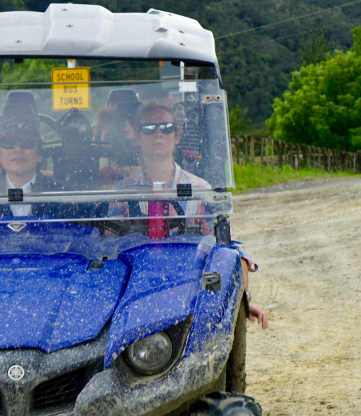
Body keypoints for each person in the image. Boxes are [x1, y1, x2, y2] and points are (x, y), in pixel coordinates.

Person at [115, 101, 268, 329]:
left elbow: (226, 246)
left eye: (166, 127)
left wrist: (242, 301)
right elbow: (105, 248)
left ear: (177, 136)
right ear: (137, 137)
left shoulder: (199, 189)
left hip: (185, 287)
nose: (158, 133)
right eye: (148, 128)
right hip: (132, 288)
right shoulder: (121, 192)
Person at [0, 108, 71, 221]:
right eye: (9, 143)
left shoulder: (59, 193)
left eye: (26, 143)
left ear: (40, 155)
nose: (17, 149)